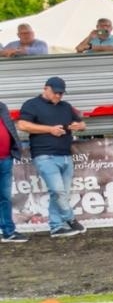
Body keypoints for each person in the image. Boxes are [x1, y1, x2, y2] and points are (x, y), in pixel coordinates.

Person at [16, 76, 87, 237]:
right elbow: (22, 125)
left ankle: (56, 227)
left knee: (60, 193)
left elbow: (83, 124)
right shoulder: (31, 104)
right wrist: (50, 130)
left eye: (61, 94)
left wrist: (79, 126)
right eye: (56, 93)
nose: (58, 96)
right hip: (44, 154)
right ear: (46, 89)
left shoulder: (66, 107)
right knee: (58, 191)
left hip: (65, 155)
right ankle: (70, 219)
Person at [0, 98, 24, 243]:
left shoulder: (1, 107)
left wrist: (16, 149)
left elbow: (11, 129)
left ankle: (8, 232)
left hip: (6, 159)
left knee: (5, 197)